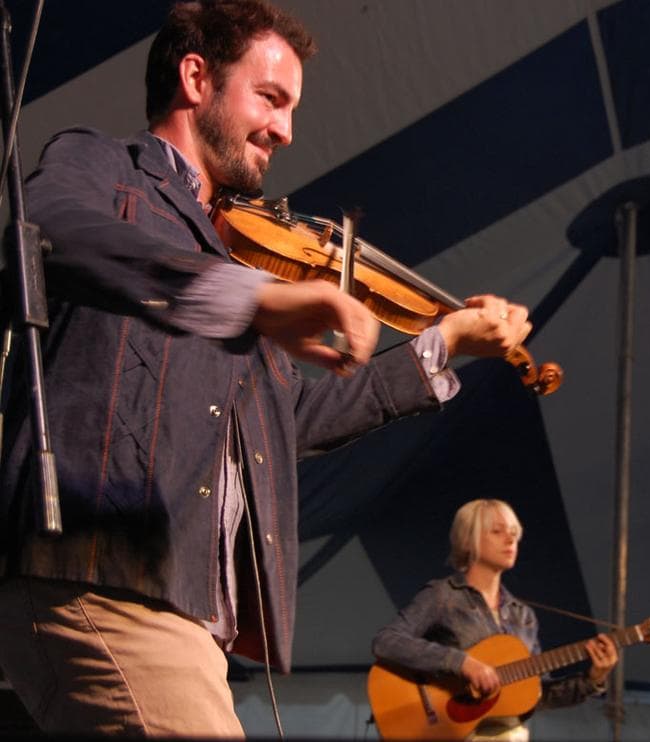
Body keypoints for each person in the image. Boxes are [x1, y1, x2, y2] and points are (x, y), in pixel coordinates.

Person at [0, 1, 534, 737]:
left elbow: (290, 423)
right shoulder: (106, 169)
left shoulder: (241, 257)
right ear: (196, 79)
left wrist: (442, 344)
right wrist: (245, 297)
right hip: (101, 574)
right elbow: (50, 227)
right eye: (270, 98)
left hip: (182, 605)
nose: (286, 130)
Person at [371, 499, 619, 741]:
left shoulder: (523, 616)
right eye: (497, 531)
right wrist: (461, 663)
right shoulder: (442, 595)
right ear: (468, 540)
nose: (510, 540)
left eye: (514, 533)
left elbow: (537, 695)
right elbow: (386, 641)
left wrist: (593, 679)